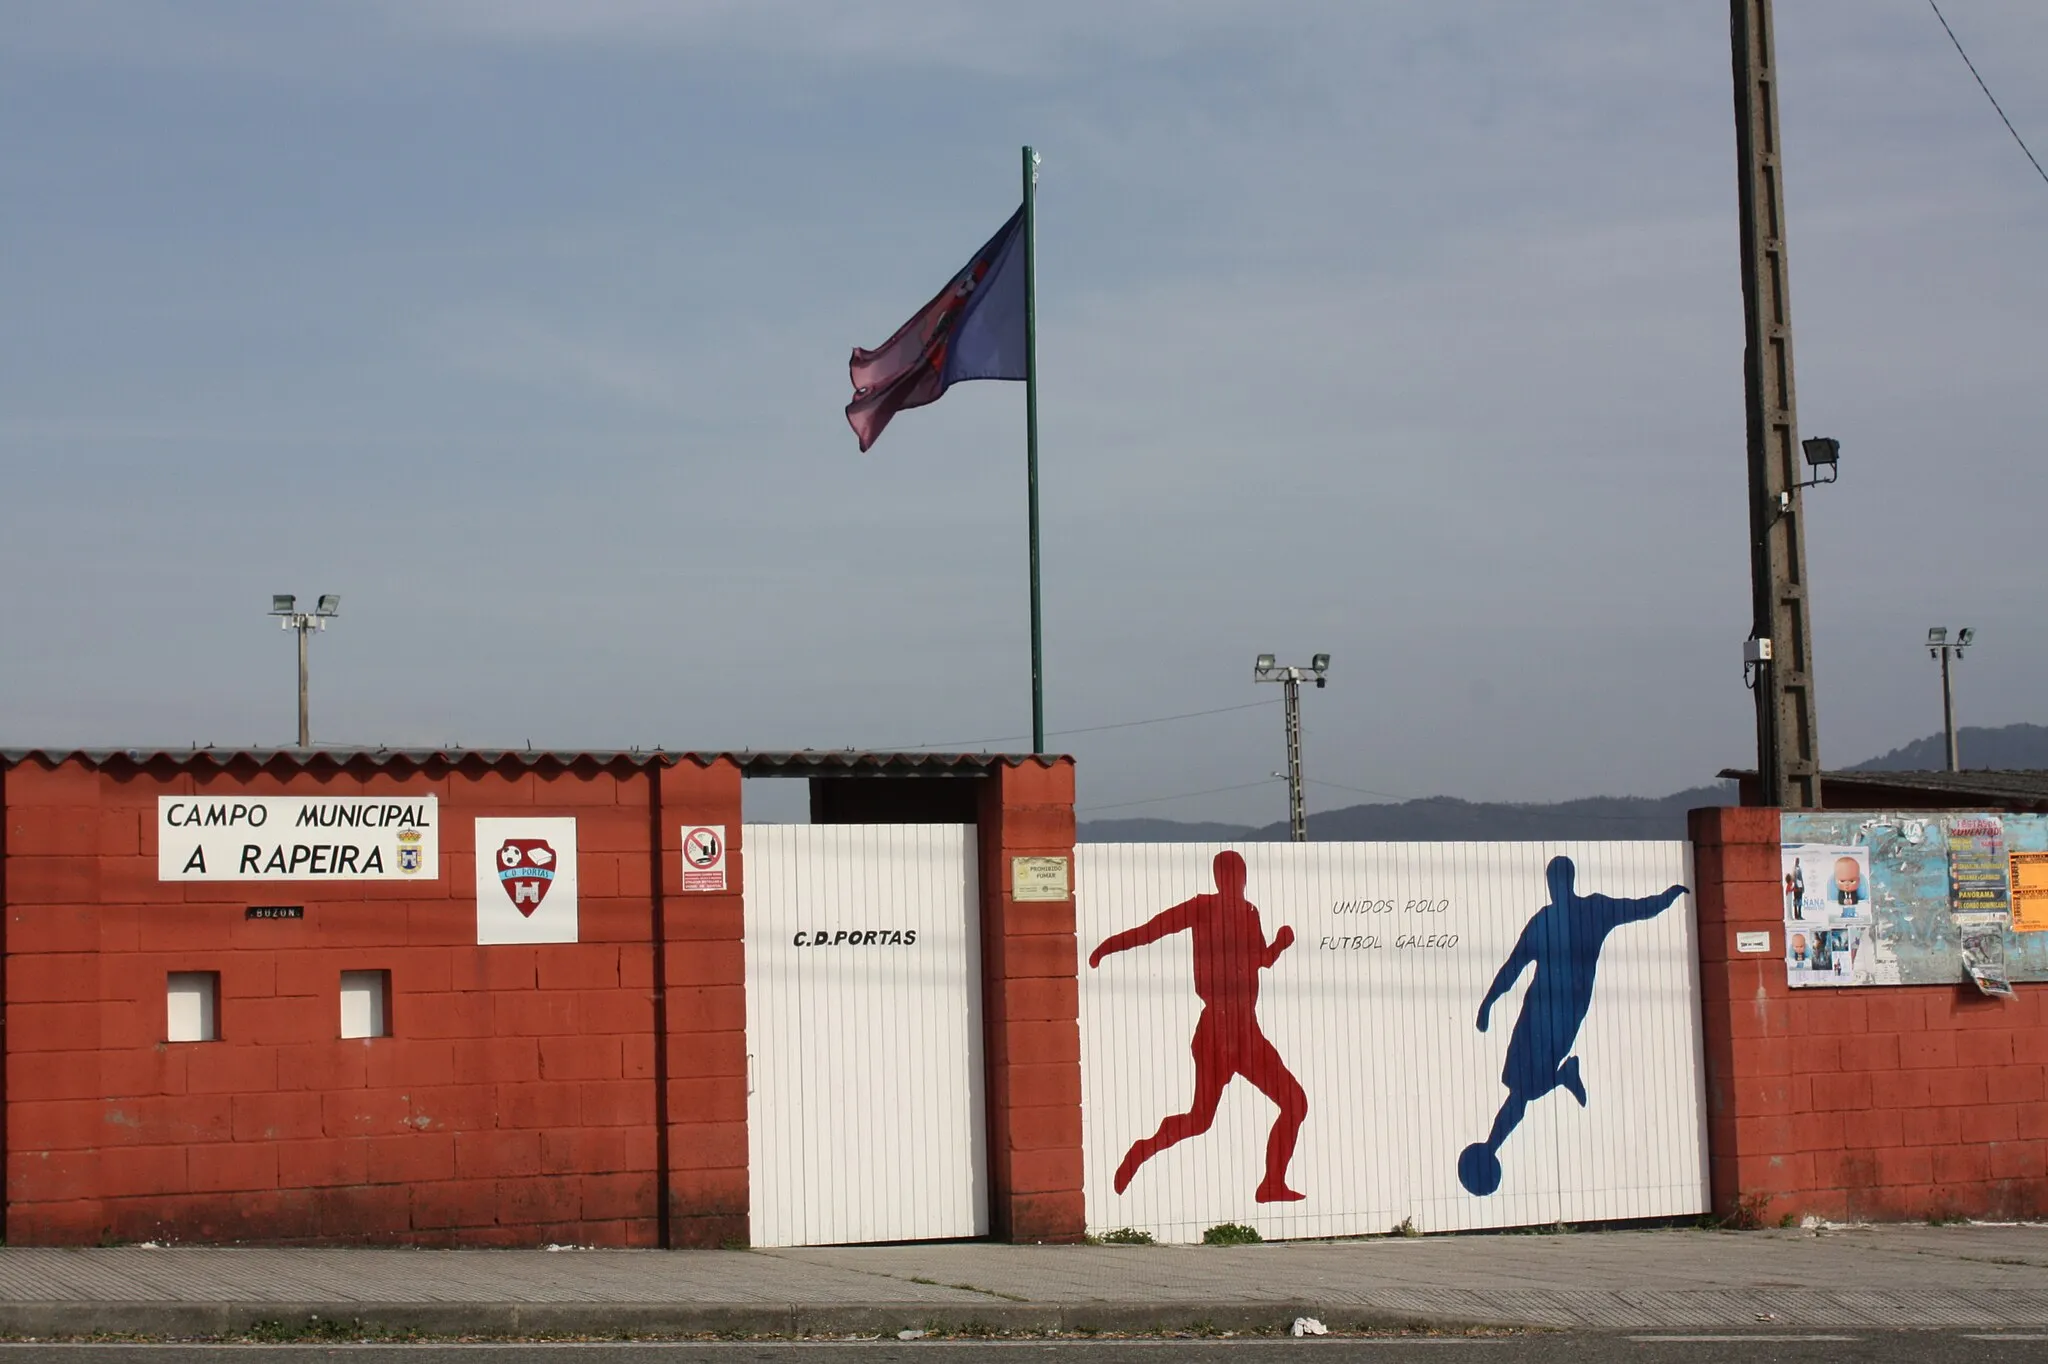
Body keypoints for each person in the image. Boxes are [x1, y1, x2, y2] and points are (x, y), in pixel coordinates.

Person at [1458, 856, 1686, 1197]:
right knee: (1521, 1088)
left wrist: (1668, 896)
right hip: (1537, 1012)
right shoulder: (1551, 919)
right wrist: (1488, 1002)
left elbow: (1639, 908)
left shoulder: (1589, 911)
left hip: (1559, 1016)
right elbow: (1513, 967)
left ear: (1559, 881)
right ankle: (1506, 1132)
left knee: (1524, 1090)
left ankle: (1557, 1083)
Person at [1089, 849, 1308, 1203]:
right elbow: (1151, 931)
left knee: (1295, 1103)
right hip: (1216, 1031)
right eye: (1230, 876)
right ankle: (1143, 1150)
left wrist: (1279, 945)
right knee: (1200, 1120)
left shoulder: (1249, 912)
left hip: (1246, 1032)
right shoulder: (1201, 908)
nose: (1236, 882)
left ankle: (1272, 1184)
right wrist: (1106, 949)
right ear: (1220, 879)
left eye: (1240, 876)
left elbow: (1259, 961)